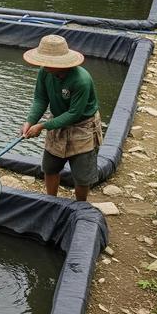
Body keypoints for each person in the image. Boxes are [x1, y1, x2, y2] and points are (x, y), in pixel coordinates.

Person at [20, 34, 102, 201]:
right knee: (50, 168)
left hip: (82, 126)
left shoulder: (81, 80)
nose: (43, 65)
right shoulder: (45, 73)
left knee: (81, 176)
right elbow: (40, 99)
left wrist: (42, 127)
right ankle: (52, 201)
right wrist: (30, 121)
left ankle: (80, 206)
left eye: (47, 62)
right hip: (57, 121)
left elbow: (74, 114)